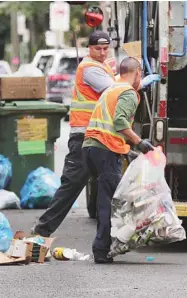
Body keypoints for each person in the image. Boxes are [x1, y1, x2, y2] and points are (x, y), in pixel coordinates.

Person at [31, 31, 115, 237]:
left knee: (109, 185)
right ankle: (41, 231)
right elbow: (114, 91)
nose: (103, 53)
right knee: (72, 186)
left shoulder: (103, 66)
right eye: (98, 49)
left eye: (106, 49)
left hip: (98, 136)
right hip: (84, 137)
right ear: (90, 48)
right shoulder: (89, 68)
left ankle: (108, 239)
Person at [82, 57, 156, 263]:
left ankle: (103, 246)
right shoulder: (129, 93)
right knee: (111, 202)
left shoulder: (112, 89)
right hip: (104, 149)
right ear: (138, 73)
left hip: (91, 148)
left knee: (104, 198)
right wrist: (139, 142)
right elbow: (120, 122)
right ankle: (102, 249)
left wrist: (126, 151)